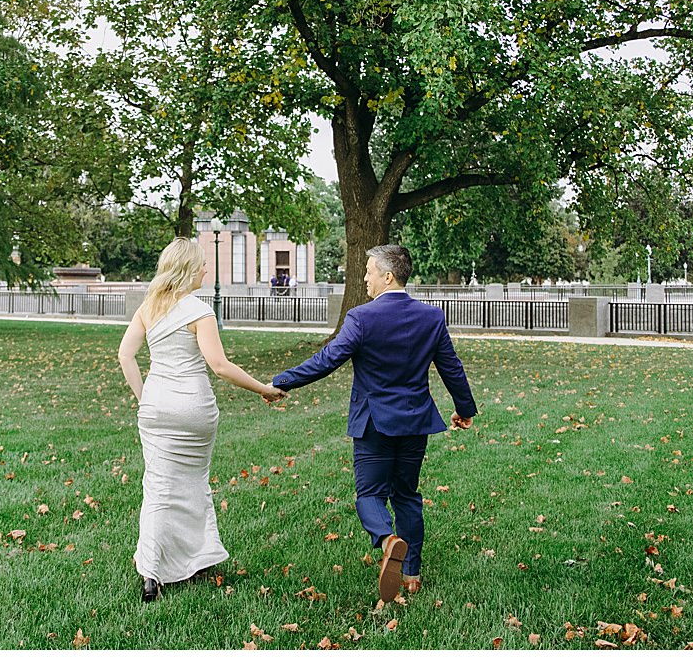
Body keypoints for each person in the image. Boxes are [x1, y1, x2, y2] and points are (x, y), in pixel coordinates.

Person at [270, 243, 476, 602]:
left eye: (368, 271)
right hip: (415, 421)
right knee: (407, 495)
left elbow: (327, 360)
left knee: (369, 494)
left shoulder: (361, 318)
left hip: (373, 424)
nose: (364, 278)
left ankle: (386, 540)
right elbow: (451, 367)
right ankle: (411, 574)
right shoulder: (432, 317)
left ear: (387, 275)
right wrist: (464, 408)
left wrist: (282, 381)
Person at [118, 237, 286, 602]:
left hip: (157, 408)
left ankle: (152, 572)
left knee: (158, 489)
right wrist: (262, 388)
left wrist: (145, 399)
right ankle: (193, 559)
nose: (206, 270)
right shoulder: (199, 310)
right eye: (202, 265)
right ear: (188, 270)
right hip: (193, 411)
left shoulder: (149, 307)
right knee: (193, 485)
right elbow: (220, 366)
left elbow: (125, 355)